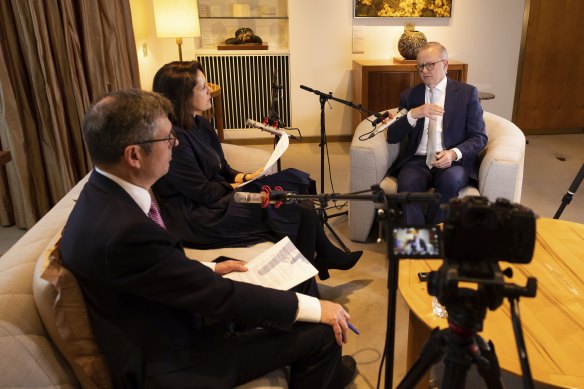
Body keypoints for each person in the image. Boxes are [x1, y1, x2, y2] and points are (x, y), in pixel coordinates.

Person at [60, 89, 357, 388]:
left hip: (176, 312)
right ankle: (324, 358)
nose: (175, 144)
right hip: (178, 358)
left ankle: (326, 366)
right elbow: (217, 297)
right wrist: (320, 310)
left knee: (301, 282)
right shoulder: (124, 232)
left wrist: (211, 268)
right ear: (134, 155)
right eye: (167, 139)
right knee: (318, 330)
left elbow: (150, 272)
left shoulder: (102, 194)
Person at [151, 61, 361, 280]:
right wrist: (240, 186)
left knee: (297, 181)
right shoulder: (173, 139)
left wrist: (246, 176)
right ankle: (309, 278)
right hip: (199, 215)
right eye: (203, 87)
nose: (210, 91)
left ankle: (320, 261)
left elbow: (222, 167)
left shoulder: (201, 124)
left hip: (218, 197)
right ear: (183, 96)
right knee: (298, 208)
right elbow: (202, 192)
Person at [386, 42, 488, 225]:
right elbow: (392, 136)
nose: (425, 71)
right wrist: (413, 114)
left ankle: (434, 237)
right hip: (418, 160)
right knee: (406, 185)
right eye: (420, 66)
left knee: (449, 182)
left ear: (445, 64)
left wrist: (453, 153)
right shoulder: (409, 96)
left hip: (452, 161)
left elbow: (479, 137)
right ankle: (418, 243)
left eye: (430, 65)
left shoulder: (467, 94)